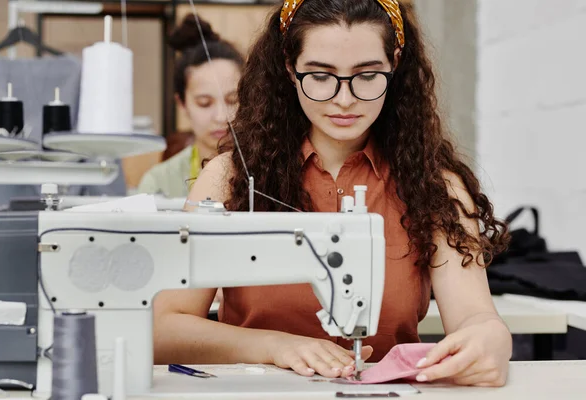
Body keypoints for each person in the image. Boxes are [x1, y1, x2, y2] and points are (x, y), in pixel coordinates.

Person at [154, 0, 513, 387]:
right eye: (321, 76)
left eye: (367, 75)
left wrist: (491, 338)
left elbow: (477, 318)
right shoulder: (229, 179)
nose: (345, 99)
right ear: (290, 68)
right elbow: (163, 329)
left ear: (394, 64)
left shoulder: (435, 187)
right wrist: (274, 346)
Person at [137, 14, 244, 198]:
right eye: (204, 103)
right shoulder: (159, 183)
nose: (221, 116)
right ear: (182, 104)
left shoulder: (273, 171)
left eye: (232, 100)